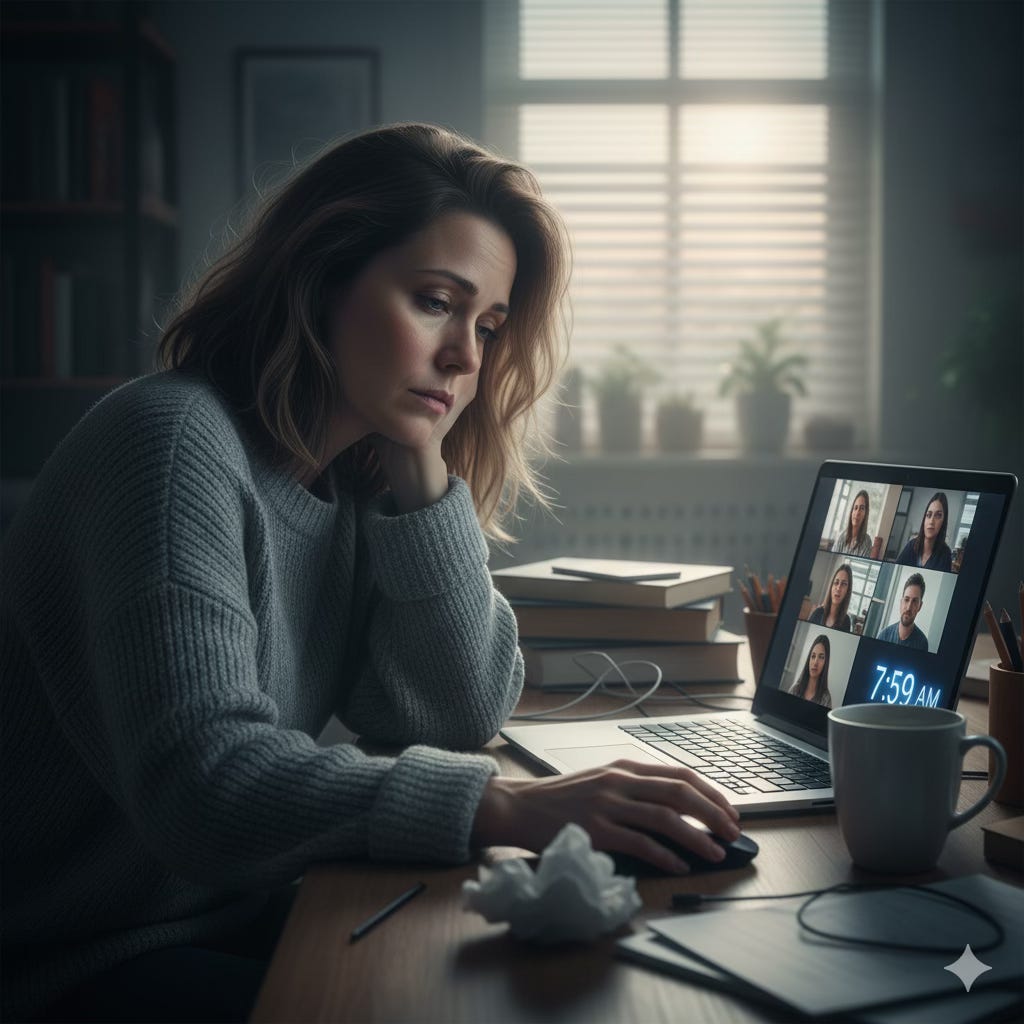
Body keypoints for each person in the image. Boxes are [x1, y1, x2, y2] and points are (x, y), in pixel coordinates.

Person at [0, 124, 740, 1023]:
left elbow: (453, 709)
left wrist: (423, 473)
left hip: (254, 907)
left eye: (490, 326)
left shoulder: (351, 477)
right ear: (320, 279)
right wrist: (502, 811)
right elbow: (205, 786)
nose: (468, 355)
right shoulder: (169, 447)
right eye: (437, 301)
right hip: (77, 962)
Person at [896, 492, 953, 571]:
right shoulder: (911, 545)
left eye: (938, 515)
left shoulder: (946, 554)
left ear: (943, 522)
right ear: (924, 519)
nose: (931, 521)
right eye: (928, 515)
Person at [877, 573, 930, 651]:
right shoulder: (883, 636)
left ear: (920, 606)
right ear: (901, 602)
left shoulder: (922, 643)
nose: (909, 607)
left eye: (915, 601)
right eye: (906, 600)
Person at [787, 634, 833, 708]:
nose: (815, 662)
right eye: (813, 656)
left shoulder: (826, 699)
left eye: (821, 657)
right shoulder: (795, 690)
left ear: (826, 663)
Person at [807, 563, 853, 632]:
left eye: (844, 584)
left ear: (848, 590)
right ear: (831, 586)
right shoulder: (817, 613)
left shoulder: (846, 621)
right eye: (836, 582)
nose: (838, 588)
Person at [831, 489, 873, 558]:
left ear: (866, 514)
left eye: (862, 508)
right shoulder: (841, 536)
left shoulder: (867, 542)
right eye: (855, 508)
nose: (857, 513)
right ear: (851, 512)